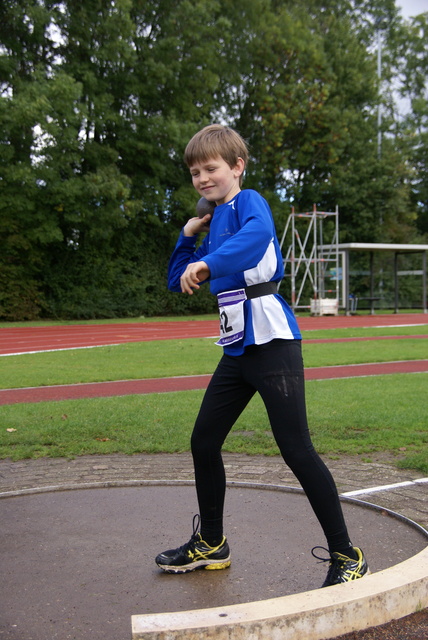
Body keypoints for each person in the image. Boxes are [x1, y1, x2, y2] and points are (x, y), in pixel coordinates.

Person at [155, 124, 369, 587]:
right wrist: (189, 237)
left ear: (236, 166)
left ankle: (348, 555)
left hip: (272, 342)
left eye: (210, 168)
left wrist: (209, 262)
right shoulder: (211, 225)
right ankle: (211, 542)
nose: (202, 178)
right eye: (194, 172)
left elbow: (255, 240)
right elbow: (177, 281)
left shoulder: (250, 203)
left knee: (296, 450)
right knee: (204, 441)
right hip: (237, 348)